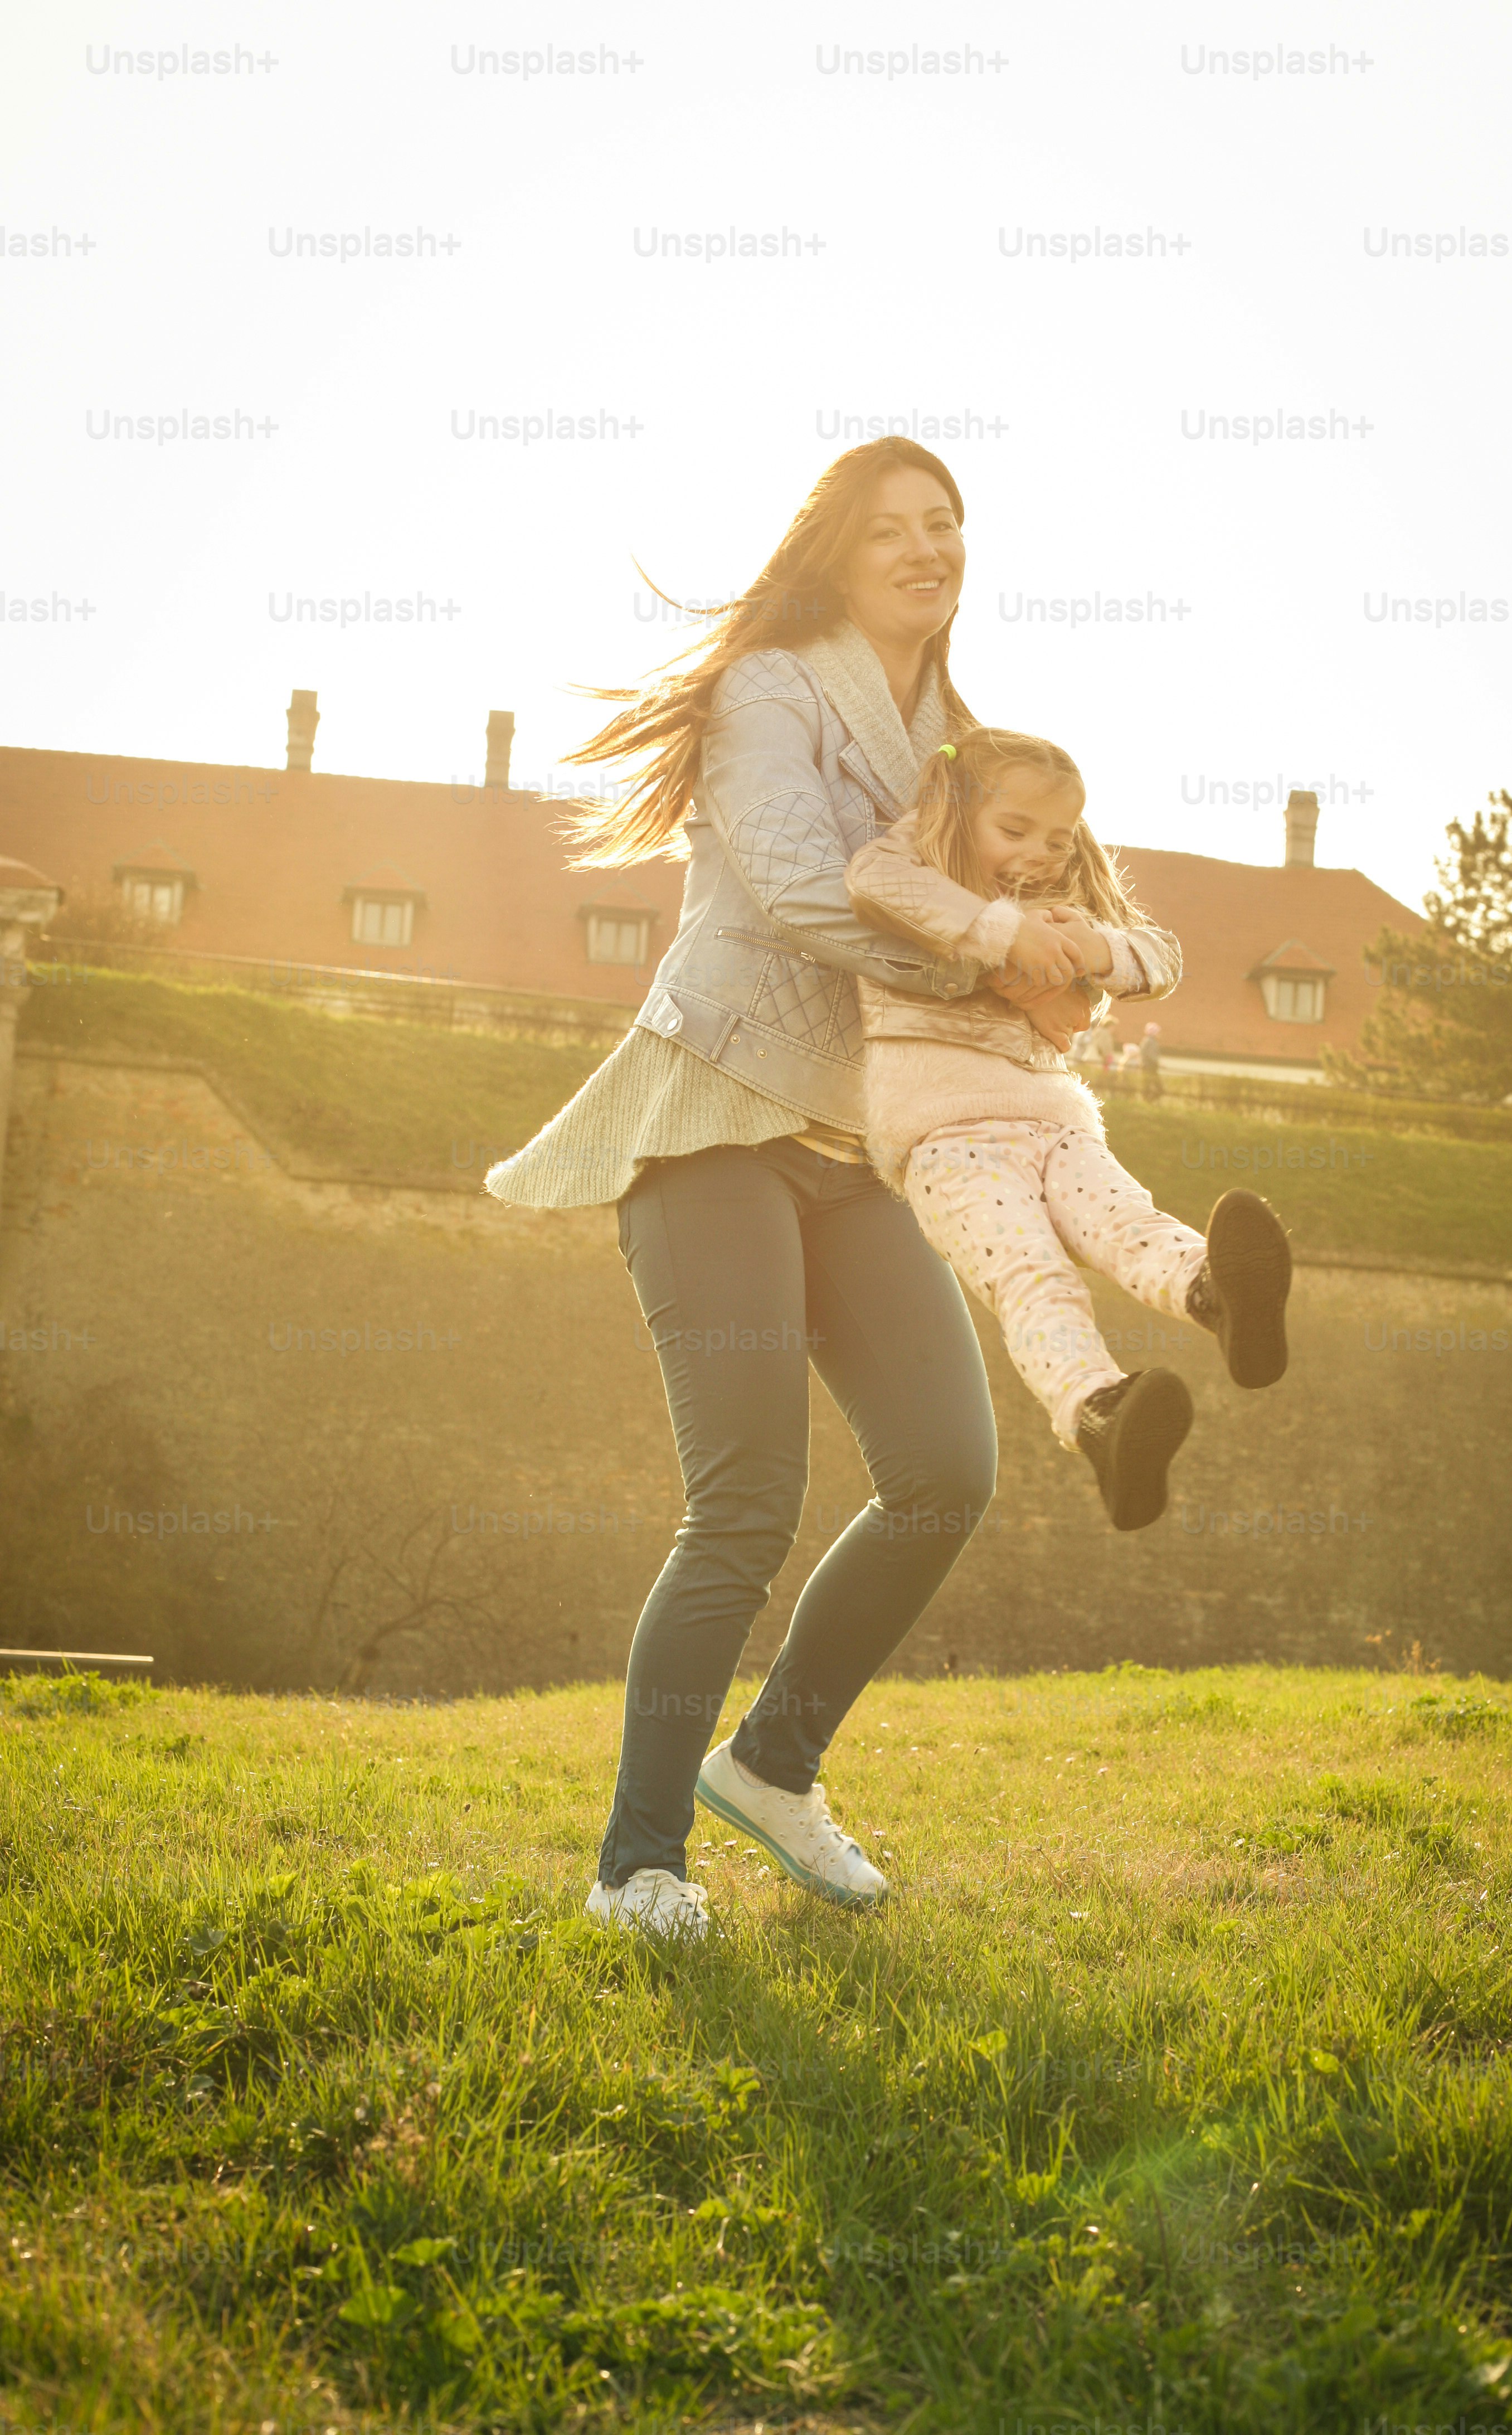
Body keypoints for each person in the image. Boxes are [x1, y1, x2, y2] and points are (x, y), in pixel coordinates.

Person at [487, 441, 1048, 1939]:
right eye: (892, 531)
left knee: (948, 1468)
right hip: (714, 1124)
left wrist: (1074, 963)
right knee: (747, 1504)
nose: (928, 549)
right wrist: (992, 944)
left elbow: (1029, 901)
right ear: (837, 553)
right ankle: (637, 1865)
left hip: (852, 1152)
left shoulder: (968, 744)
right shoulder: (770, 693)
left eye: (947, 525)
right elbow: (804, 892)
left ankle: (774, 1769)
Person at [845, 725, 1293, 1534]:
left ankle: (1217, 1292)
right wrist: (1004, 935)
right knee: (1032, 1273)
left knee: (1128, 1224)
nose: (1040, 852)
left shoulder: (1063, 905)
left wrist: (1090, 946)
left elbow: (1161, 956)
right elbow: (872, 879)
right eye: (1014, 830)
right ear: (954, 810)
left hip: (1052, 1121)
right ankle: (1099, 1412)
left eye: (1058, 836)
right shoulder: (913, 875)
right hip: (947, 1139)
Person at [1139, 1019, 1164, 1102]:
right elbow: (1149, 1054)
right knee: (1155, 1087)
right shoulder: (1150, 1041)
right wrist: (1157, 1062)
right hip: (1150, 1067)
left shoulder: (1149, 1041)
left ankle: (1148, 1102)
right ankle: (1148, 1101)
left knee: (1147, 1085)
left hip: (1149, 1066)